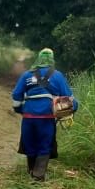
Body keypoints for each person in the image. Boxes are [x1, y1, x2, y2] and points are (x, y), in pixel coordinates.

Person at [11, 47, 77, 181]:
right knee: (44, 144)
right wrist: (74, 108)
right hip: (47, 117)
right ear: (51, 60)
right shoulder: (57, 75)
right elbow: (69, 98)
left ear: (38, 59)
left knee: (29, 143)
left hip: (29, 117)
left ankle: (31, 170)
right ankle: (38, 175)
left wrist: (20, 110)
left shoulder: (27, 75)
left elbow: (16, 96)